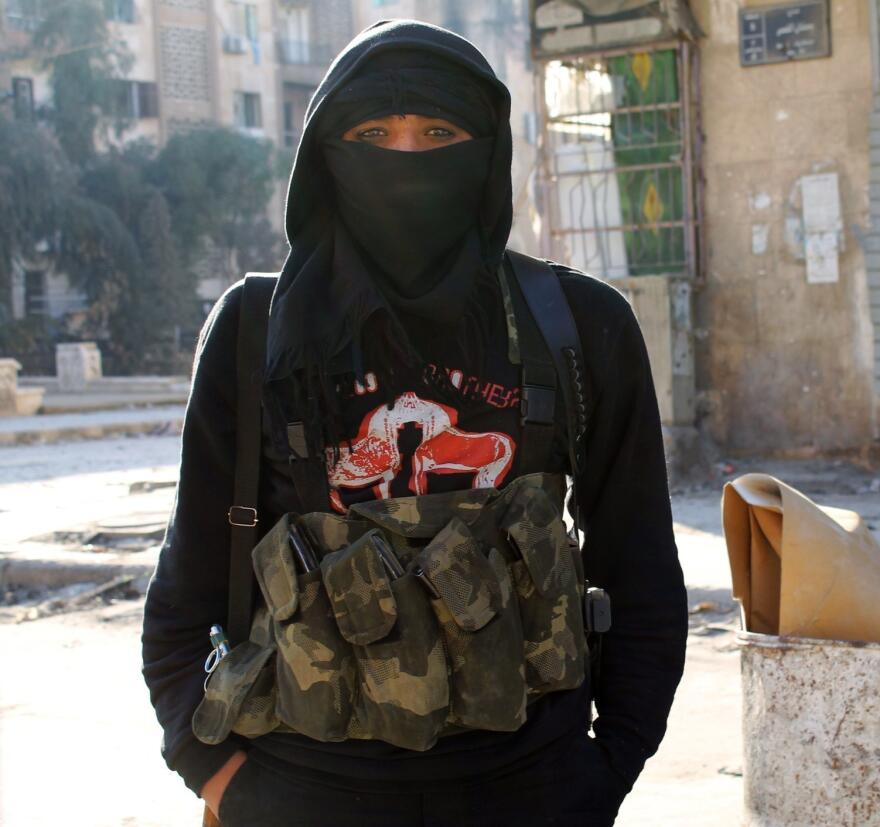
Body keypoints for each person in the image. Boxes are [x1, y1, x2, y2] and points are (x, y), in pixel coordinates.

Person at [140, 18, 688, 827]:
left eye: (438, 131)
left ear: (486, 152)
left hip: (530, 789)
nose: (404, 157)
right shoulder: (257, 330)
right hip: (301, 789)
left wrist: (605, 773)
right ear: (326, 154)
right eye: (372, 132)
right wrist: (220, 777)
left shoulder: (579, 325)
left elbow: (642, 575)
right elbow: (185, 589)